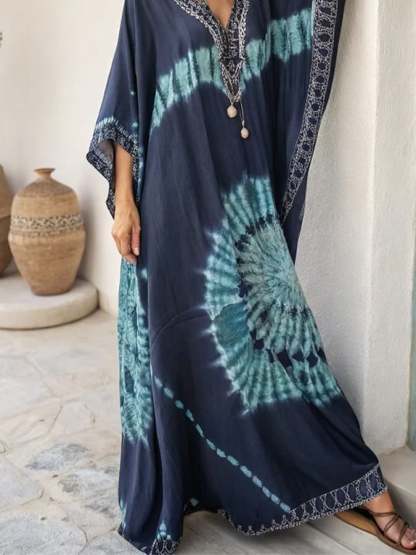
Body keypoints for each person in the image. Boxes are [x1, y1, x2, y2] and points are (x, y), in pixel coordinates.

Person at [86, 1, 416, 553]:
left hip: (243, 211)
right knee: (178, 350)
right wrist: (123, 202)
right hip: (169, 208)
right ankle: (192, 483)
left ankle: (358, 480)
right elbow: (128, 92)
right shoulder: (148, 5)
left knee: (283, 347)